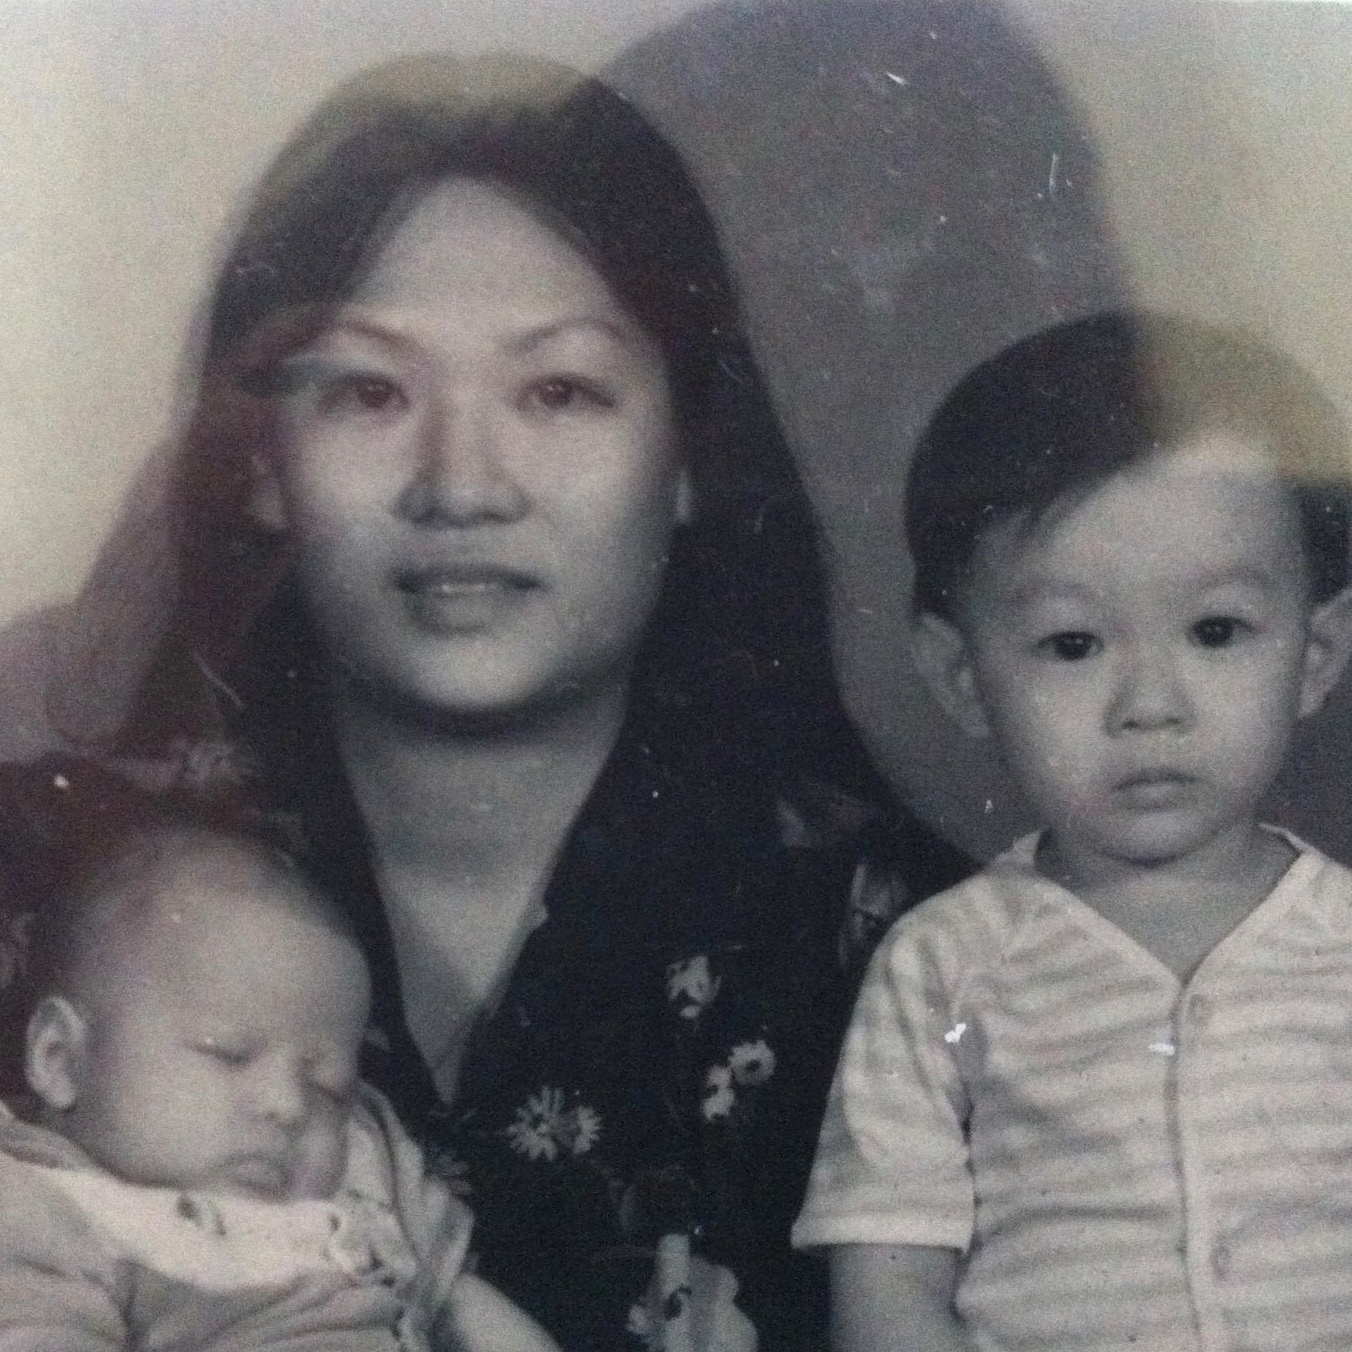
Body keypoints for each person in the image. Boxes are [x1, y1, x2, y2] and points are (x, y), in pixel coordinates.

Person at [41, 54, 969, 1352]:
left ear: (692, 458)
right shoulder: (43, 887)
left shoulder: (929, 959)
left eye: (558, 390)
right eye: (369, 390)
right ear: (260, 463)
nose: (462, 485)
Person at [792, 311, 1352, 1351]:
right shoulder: (941, 966)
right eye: (1070, 642)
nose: (1147, 703)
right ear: (960, 674)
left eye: (1214, 631)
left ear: (1314, 652)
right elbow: (889, 1282)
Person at [0, 777, 559, 1352]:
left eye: (329, 1088)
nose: (289, 1106)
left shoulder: (362, 1165)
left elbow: (461, 1303)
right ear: (61, 1061)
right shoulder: (43, 1210)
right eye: (228, 1053)